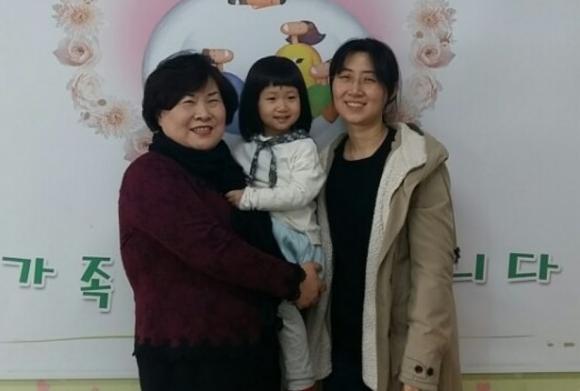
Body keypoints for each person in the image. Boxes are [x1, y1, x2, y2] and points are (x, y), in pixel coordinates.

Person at [118, 52, 324, 391]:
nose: (204, 112)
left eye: (213, 100)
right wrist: (292, 281)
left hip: (254, 354)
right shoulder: (150, 175)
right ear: (159, 114)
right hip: (187, 362)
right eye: (188, 102)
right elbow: (212, 249)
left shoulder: (232, 170)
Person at [306, 38, 462, 391]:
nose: (355, 90)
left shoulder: (417, 164)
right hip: (336, 357)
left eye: (370, 80)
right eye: (345, 77)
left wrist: (418, 371)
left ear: (389, 92)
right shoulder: (322, 165)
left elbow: (432, 274)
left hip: (394, 358)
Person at [227, 56, 325, 391]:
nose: (282, 107)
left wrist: (250, 198)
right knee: (267, 313)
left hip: (297, 242)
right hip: (264, 243)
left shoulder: (304, 147)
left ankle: (302, 382)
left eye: (291, 97)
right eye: (271, 98)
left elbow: (301, 193)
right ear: (254, 104)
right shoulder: (242, 150)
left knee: (286, 311)